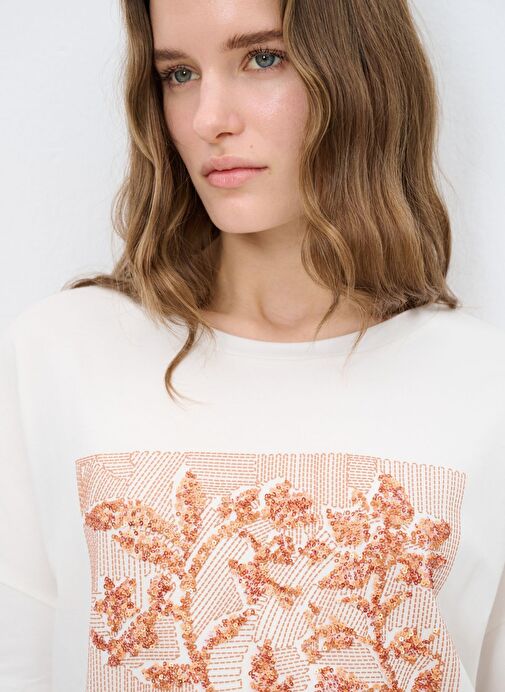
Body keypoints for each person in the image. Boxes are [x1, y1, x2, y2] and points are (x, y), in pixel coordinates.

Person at [1, 0, 503, 689]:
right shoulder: (61, 353)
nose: (208, 119)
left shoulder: (482, 384)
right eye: (178, 75)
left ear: (362, 74)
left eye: (263, 59)